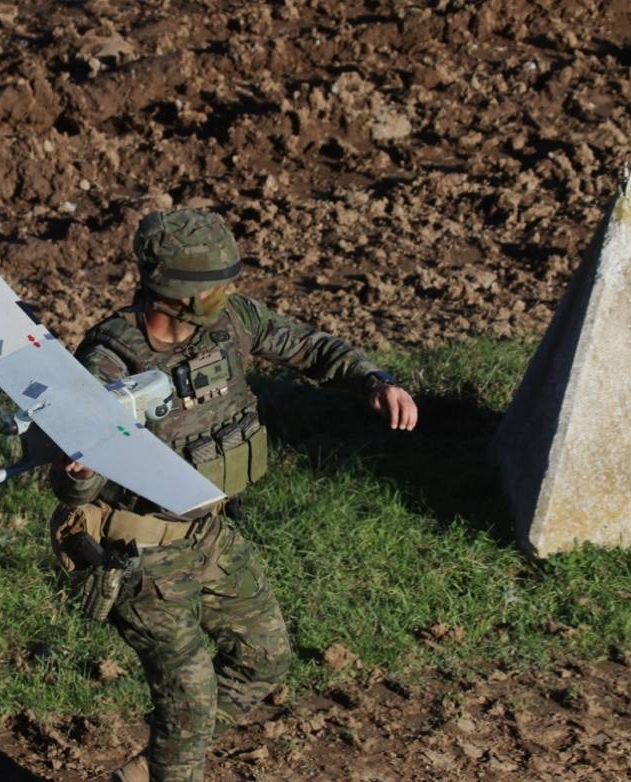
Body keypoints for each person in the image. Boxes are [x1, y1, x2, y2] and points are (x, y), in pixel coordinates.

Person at [46, 208, 417, 781]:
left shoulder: (233, 322)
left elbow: (309, 346)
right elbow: (75, 487)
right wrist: (77, 469)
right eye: (217, 284)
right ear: (177, 293)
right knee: (190, 702)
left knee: (264, 661)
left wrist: (374, 380)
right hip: (140, 555)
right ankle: (176, 761)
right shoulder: (108, 361)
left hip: (209, 533)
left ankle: (154, 767)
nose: (230, 291)